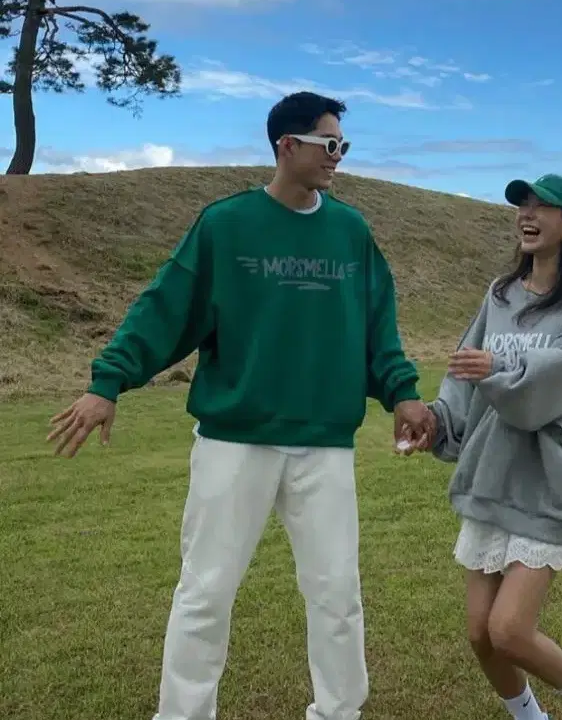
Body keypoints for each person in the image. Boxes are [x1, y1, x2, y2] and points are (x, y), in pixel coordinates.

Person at [46, 91, 434, 720]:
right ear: (288, 146)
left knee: (337, 594)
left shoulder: (351, 231)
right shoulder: (225, 225)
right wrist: (107, 382)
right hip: (235, 439)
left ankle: (340, 712)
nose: (339, 157)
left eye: (344, 146)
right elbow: (164, 309)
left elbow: (378, 324)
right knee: (206, 592)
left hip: (324, 443)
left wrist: (403, 392)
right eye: (330, 145)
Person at [402, 173, 562, 720]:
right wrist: (436, 417)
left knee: (509, 629)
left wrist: (498, 368)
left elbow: (561, 373)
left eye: (543, 206)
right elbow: (462, 371)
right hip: (491, 477)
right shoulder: (499, 294)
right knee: (481, 635)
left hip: (546, 481)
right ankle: (529, 716)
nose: (528, 214)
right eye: (523, 204)